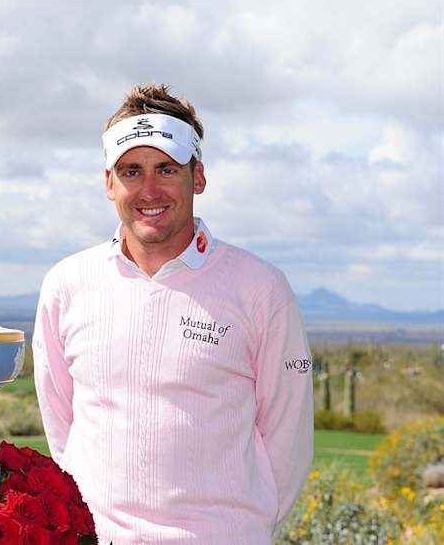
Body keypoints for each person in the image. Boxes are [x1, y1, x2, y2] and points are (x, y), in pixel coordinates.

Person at [33, 85, 313, 544]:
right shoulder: (66, 285)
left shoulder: (261, 288)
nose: (149, 190)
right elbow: (61, 426)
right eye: (131, 171)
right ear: (109, 183)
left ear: (197, 177)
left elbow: (289, 440)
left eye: (166, 169)